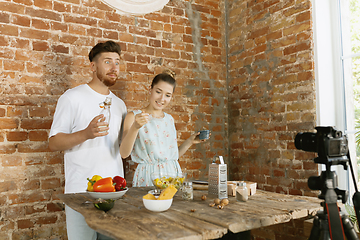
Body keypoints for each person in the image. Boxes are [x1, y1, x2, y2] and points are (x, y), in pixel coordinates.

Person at [49, 41, 126, 240]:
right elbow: (54, 142)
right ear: (93, 66)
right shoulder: (72, 98)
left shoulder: (120, 105)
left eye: (117, 62)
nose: (114, 67)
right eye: (107, 61)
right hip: (80, 194)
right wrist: (86, 134)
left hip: (114, 194)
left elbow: (122, 149)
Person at [120, 70, 209, 187]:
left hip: (173, 174)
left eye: (168, 95)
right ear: (150, 89)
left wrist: (189, 142)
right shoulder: (134, 116)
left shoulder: (169, 119)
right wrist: (135, 127)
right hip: (148, 177)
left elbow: (171, 157)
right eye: (158, 92)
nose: (162, 99)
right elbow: (124, 153)